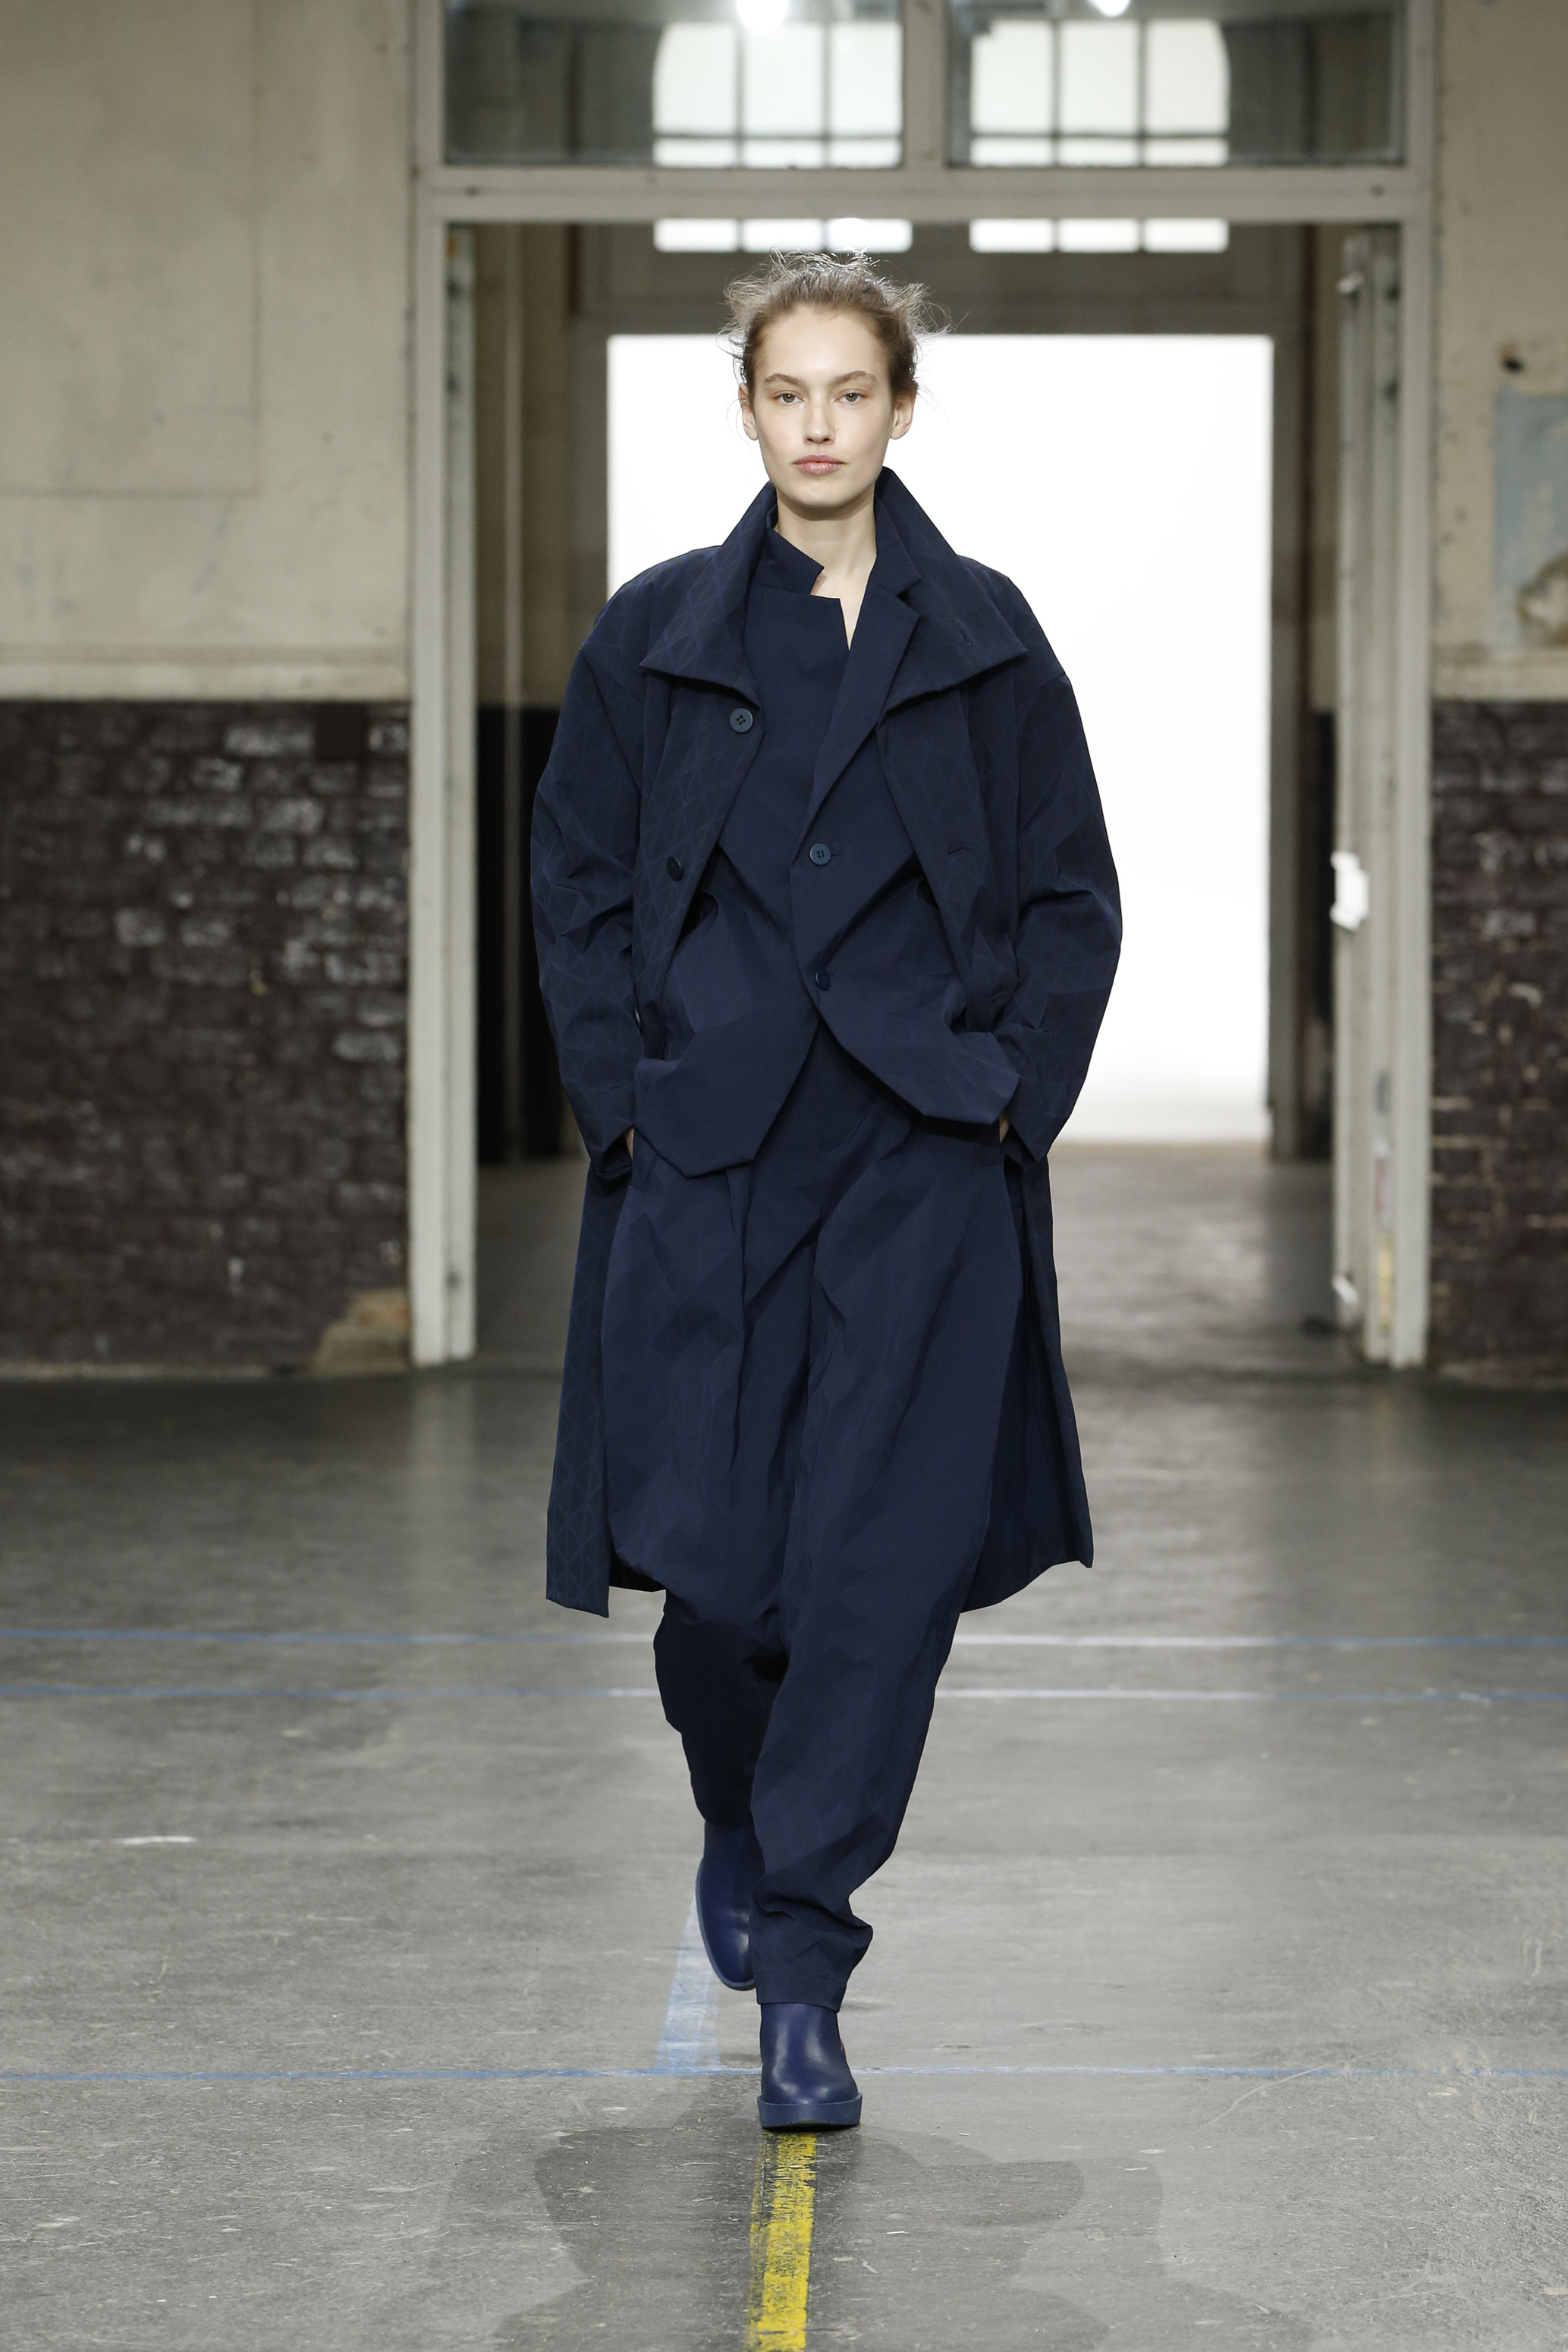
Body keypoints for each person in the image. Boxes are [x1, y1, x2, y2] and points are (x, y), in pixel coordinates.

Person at [532, 253, 1120, 2132]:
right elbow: (577, 882)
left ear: (898, 408)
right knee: (715, 1572)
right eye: (783, 391)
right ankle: (736, 1798)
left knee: (876, 1570)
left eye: (848, 391)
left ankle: (805, 1961)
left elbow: (1068, 890)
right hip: (710, 1147)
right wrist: (620, 1102)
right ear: (744, 407)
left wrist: (1009, 1102)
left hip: (919, 1155)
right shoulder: (654, 633)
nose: (815, 423)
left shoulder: (985, 634)